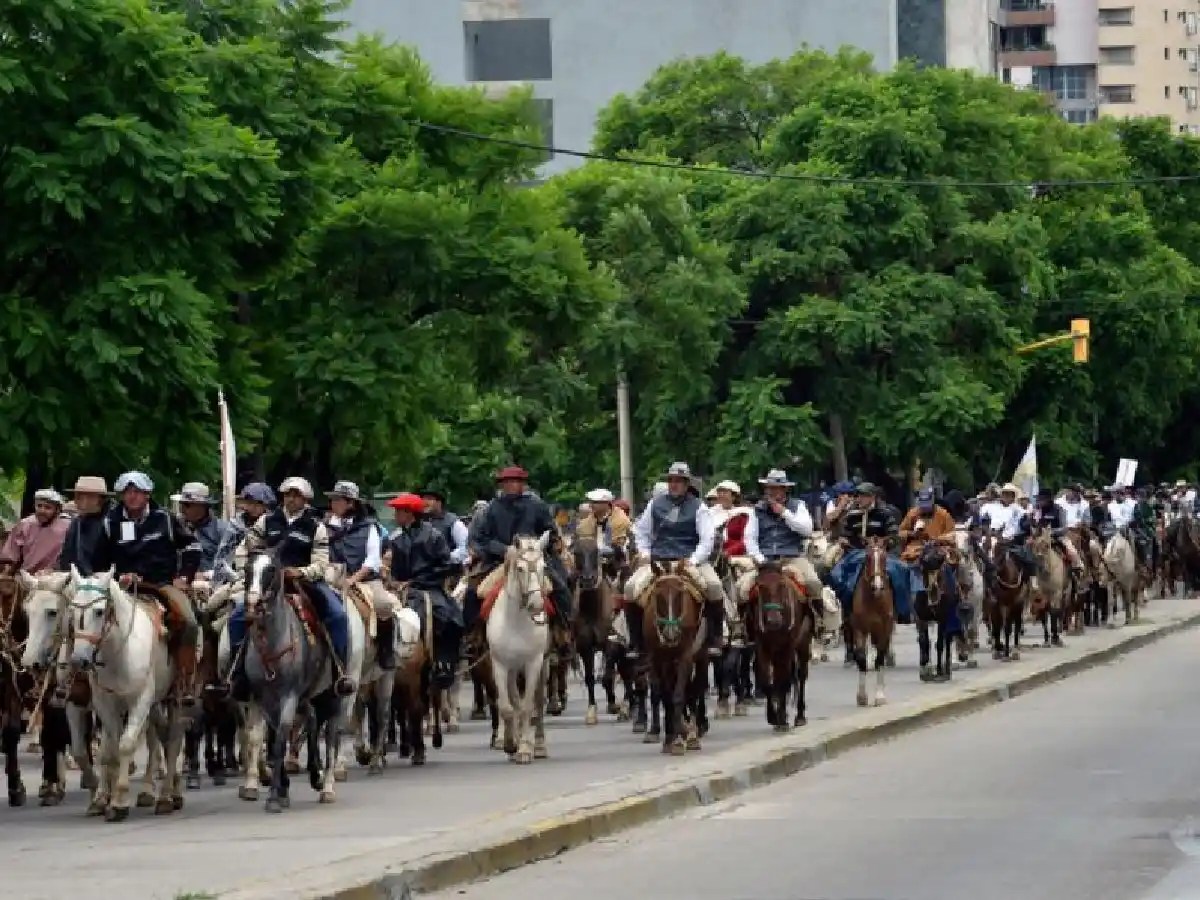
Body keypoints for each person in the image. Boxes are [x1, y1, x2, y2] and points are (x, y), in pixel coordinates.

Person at [222, 476, 354, 700]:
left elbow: (321, 563)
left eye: (296, 495)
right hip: (268, 582)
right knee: (237, 617)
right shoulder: (266, 521)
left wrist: (301, 572)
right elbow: (244, 548)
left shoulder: (316, 526)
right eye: (287, 495)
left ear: (306, 499)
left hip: (303, 582)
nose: (291, 499)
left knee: (338, 614)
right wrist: (249, 570)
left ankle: (340, 671)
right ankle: (236, 673)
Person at [90, 472, 202, 702]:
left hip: (160, 585)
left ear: (147, 494)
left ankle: (184, 680)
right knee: (86, 614)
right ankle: (81, 679)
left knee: (189, 622)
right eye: (127, 492)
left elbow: (193, 547)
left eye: (137, 492)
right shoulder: (110, 522)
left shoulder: (166, 519)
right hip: (121, 588)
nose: (131, 497)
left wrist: (184, 577)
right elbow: (98, 563)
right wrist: (116, 577)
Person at [624, 462, 729, 659]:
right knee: (630, 588)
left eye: (679, 481)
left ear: (687, 484)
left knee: (714, 586)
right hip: (659, 560)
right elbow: (642, 532)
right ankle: (637, 642)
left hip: (689, 559)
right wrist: (645, 553)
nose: (674, 484)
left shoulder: (699, 507)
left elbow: (707, 538)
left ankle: (716, 638)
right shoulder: (654, 504)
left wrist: (694, 559)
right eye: (671, 480)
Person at [464, 466, 570, 634]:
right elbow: (481, 538)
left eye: (516, 482)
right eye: (508, 482)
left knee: (560, 588)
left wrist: (540, 546)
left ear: (523, 484)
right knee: (472, 592)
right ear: (501, 485)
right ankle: (472, 638)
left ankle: (564, 634)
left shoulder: (537, 505)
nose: (512, 485)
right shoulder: (491, 509)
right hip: (499, 562)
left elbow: (550, 532)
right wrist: (504, 550)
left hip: (533, 561)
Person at [386, 493, 463, 687]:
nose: (395, 515)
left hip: (430, 588)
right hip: (402, 589)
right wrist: (394, 581)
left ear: (411, 513)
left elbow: (447, 565)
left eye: (399, 511)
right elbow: (394, 569)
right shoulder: (396, 538)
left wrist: (415, 581)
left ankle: (444, 663)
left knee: (452, 619)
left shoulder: (434, 535)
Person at [739, 469, 825, 638]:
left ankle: (819, 624)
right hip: (765, 560)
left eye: (777, 488)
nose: (772, 492)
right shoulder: (756, 510)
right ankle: (742, 629)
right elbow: (749, 538)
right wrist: (760, 559)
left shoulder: (797, 506)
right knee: (742, 588)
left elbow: (807, 530)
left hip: (792, 558)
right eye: (769, 488)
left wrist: (784, 513)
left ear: (785, 490)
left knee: (813, 582)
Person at [326, 480, 398, 670]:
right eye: (332, 499)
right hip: (331, 576)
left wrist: (352, 580)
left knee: (384, 604)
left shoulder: (369, 527)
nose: (333, 503)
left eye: (338, 500)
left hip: (364, 579)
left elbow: (373, 560)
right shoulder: (325, 526)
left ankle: (386, 650)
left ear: (351, 503)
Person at [828, 483, 911, 624]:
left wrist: (883, 544)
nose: (859, 499)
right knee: (835, 575)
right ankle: (844, 611)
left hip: (880, 553)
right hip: (855, 552)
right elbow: (845, 534)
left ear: (872, 497)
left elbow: (894, 536)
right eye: (858, 496)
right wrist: (844, 540)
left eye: (863, 496)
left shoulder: (885, 514)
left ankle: (902, 610)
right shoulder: (851, 515)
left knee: (902, 569)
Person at [897, 487, 958, 610]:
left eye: (927, 504)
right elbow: (900, 532)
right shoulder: (913, 513)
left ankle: (953, 597)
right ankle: (912, 601)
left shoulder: (943, 514)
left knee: (953, 564)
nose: (925, 507)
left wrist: (937, 539)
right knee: (905, 567)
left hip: (939, 548)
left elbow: (952, 534)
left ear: (933, 501)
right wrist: (912, 534)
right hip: (916, 550)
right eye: (922, 504)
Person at [174, 483, 237, 575]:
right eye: (181, 504)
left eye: (187, 505)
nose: (182, 509)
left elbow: (229, 565)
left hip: (211, 584)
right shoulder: (176, 527)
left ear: (203, 506)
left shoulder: (223, 530)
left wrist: (204, 575)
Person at [2, 488, 69, 574]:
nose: (42, 511)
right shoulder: (25, 524)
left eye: (48, 508)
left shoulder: (67, 527)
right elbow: (11, 556)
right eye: (39, 506)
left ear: (57, 510)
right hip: (26, 576)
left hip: (54, 577)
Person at [56, 476, 112, 576]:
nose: (78, 501)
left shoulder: (111, 522)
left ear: (100, 499)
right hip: (76, 582)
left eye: (83, 496)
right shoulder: (77, 521)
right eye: (77, 496)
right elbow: (67, 555)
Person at [420, 486, 470, 565]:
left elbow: (465, 547)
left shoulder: (453, 521)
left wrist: (447, 558)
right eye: (423, 499)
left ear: (439, 502)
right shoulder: (419, 521)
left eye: (429, 499)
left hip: (448, 572)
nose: (424, 502)